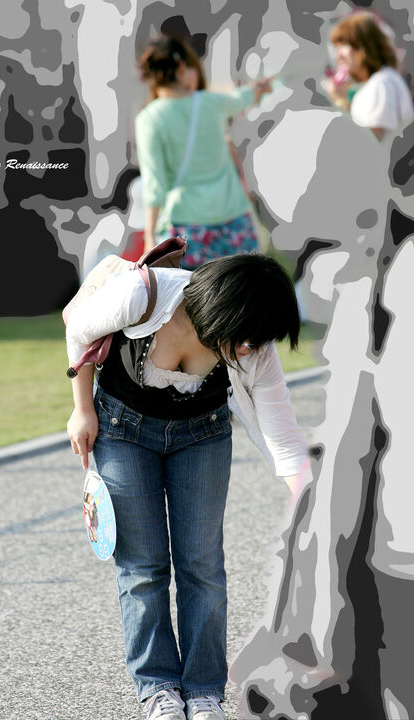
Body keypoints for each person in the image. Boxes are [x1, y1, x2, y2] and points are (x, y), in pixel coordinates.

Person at [66, 251, 310, 720]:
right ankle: (157, 688)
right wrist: (82, 408)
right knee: (142, 566)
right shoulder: (142, 295)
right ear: (222, 312)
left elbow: (281, 428)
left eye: (261, 340)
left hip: (203, 436)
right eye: (247, 338)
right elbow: (80, 329)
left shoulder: (255, 345)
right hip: (122, 430)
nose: (253, 349)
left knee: (202, 566)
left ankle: (203, 691)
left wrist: (308, 497)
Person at [135, 36, 271, 267]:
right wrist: (258, 88)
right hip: (234, 220)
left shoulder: (149, 118)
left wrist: (149, 238)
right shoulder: (213, 103)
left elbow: (154, 186)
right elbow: (241, 99)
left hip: (188, 230)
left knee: (194, 290)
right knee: (245, 288)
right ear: (180, 67)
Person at [327, 13, 414, 141]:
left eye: (343, 45)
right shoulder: (379, 81)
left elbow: (374, 141)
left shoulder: (382, 82)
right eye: (336, 48)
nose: (337, 55)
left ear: (364, 47)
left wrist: (341, 101)